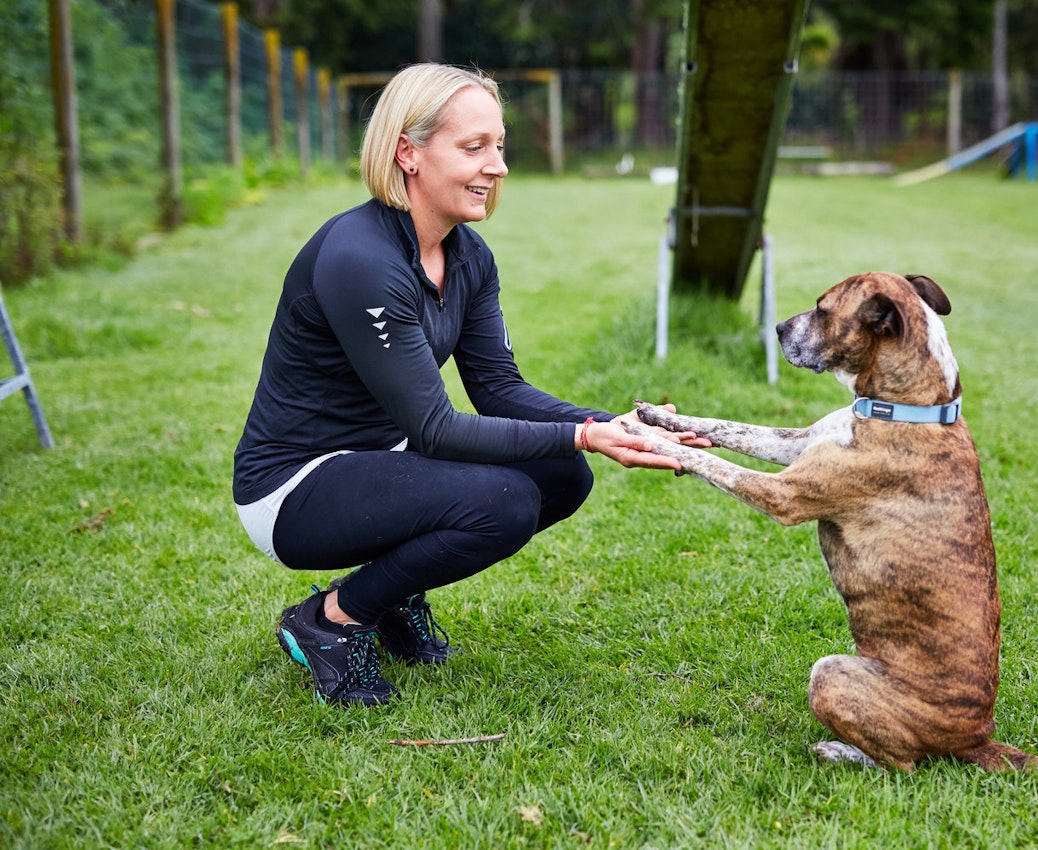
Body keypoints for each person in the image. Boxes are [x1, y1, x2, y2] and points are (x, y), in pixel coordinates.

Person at [232, 63, 698, 707]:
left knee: (562, 476)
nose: (498, 166)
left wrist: (618, 424)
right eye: (474, 147)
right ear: (408, 153)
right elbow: (436, 429)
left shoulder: (468, 255)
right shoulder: (360, 258)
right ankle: (330, 622)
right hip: (293, 486)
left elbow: (500, 389)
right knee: (504, 500)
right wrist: (586, 435)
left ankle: (390, 598)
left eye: (499, 146)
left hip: (379, 461)